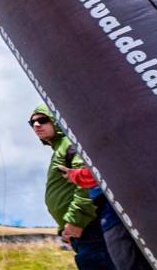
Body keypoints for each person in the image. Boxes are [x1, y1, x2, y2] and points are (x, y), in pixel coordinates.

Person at [30, 106, 111, 269]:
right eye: (32, 122)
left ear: (56, 120)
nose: (36, 125)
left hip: (91, 227)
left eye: (43, 120)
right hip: (83, 232)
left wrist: (76, 220)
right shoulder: (60, 149)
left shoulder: (69, 143)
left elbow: (89, 179)